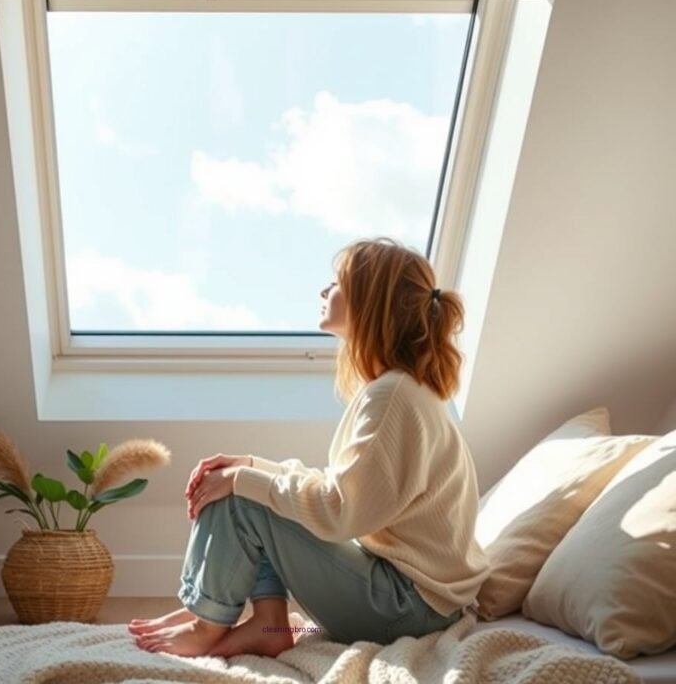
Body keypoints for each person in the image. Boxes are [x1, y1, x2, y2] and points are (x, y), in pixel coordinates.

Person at [128, 236, 490, 657]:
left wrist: (243, 478)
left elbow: (338, 512)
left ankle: (207, 621)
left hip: (407, 607)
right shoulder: (404, 392)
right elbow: (340, 491)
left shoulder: (392, 397)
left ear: (368, 302)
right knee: (245, 486)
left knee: (243, 495)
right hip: (419, 601)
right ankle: (249, 620)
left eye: (336, 283)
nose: (323, 291)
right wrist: (249, 465)